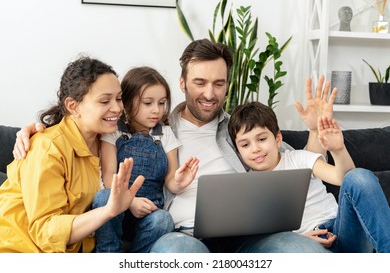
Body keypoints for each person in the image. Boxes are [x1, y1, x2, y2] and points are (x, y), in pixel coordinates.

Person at [13, 39, 334, 253]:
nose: (209, 93)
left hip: (252, 236)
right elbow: (86, 125)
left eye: (219, 84)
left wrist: (316, 130)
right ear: (182, 83)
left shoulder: (241, 128)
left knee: (304, 253)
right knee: (181, 252)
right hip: (182, 234)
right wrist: (37, 128)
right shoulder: (152, 127)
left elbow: (296, 168)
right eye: (200, 82)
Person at [0, 56, 144, 252]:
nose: (118, 108)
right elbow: (45, 231)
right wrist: (108, 211)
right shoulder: (47, 148)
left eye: (119, 98)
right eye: (104, 101)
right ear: (73, 106)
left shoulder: (109, 142)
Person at [228, 101, 390, 252]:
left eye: (262, 139)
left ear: (278, 139)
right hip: (306, 243)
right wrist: (299, 239)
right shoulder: (246, 185)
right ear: (238, 151)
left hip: (343, 230)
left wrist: (338, 150)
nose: (255, 148)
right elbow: (264, 237)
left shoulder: (299, 158)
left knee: (359, 176)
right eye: (245, 145)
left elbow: (343, 178)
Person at [92, 66, 199, 253]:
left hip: (148, 214)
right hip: (118, 209)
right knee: (103, 197)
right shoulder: (114, 131)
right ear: (126, 101)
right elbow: (109, 176)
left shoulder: (165, 134)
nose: (156, 110)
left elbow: (170, 182)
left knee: (164, 219)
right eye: (148, 103)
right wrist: (130, 202)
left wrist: (180, 181)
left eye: (162, 103)